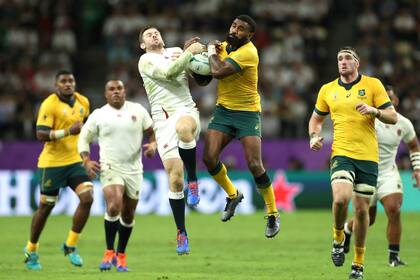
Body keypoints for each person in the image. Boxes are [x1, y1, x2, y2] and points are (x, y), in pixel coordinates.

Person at [308, 47, 398, 279]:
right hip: (342, 153)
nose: (343, 62)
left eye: (348, 58)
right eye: (339, 58)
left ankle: (358, 265)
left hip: (368, 157)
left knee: (361, 211)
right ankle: (338, 237)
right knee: (340, 199)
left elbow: (392, 116)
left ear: (357, 63)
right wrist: (314, 136)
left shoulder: (373, 85)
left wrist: (374, 111)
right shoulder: (328, 89)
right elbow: (316, 119)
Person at [203, 15, 280, 238]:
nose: (235, 30)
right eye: (234, 25)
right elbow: (205, 74)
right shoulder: (224, 46)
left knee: (255, 164)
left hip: (247, 113)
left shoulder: (248, 53)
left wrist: (209, 53)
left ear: (250, 35)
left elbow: (217, 72)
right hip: (224, 111)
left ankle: (273, 213)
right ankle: (232, 194)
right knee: (209, 158)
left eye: (241, 29)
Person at [137, 26, 205, 254]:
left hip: (186, 110)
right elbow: (169, 73)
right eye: (148, 35)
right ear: (143, 45)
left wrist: (200, 57)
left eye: (156, 32)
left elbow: (197, 76)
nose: (154, 35)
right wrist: (189, 53)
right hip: (163, 122)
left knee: (184, 129)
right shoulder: (145, 60)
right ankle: (181, 232)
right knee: (175, 179)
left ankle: (193, 180)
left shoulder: (176, 50)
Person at [78, 80, 157, 272]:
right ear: (106, 94)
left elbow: (152, 132)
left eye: (119, 88)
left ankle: (121, 255)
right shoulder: (99, 114)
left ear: (124, 91)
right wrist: (86, 161)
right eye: (111, 89)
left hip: (134, 169)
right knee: (114, 206)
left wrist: (153, 144)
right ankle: (108, 251)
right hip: (110, 167)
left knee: (128, 215)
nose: (116, 92)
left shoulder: (138, 110)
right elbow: (83, 138)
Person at [343, 85, 420, 267]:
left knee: (394, 209)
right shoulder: (367, 119)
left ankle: (394, 257)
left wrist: (417, 168)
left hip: (388, 174)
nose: (387, 102)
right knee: (367, 219)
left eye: (390, 99)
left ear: (395, 101)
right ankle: (347, 229)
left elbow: (414, 145)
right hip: (366, 172)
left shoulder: (403, 123)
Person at [24, 70, 94, 270]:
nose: (67, 84)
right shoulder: (49, 104)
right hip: (51, 163)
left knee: (87, 198)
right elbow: (40, 134)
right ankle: (32, 249)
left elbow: (85, 130)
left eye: (71, 80)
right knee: (46, 207)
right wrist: (67, 132)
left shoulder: (83, 102)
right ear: (56, 86)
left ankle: (70, 245)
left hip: (74, 162)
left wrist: (86, 157)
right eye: (63, 81)